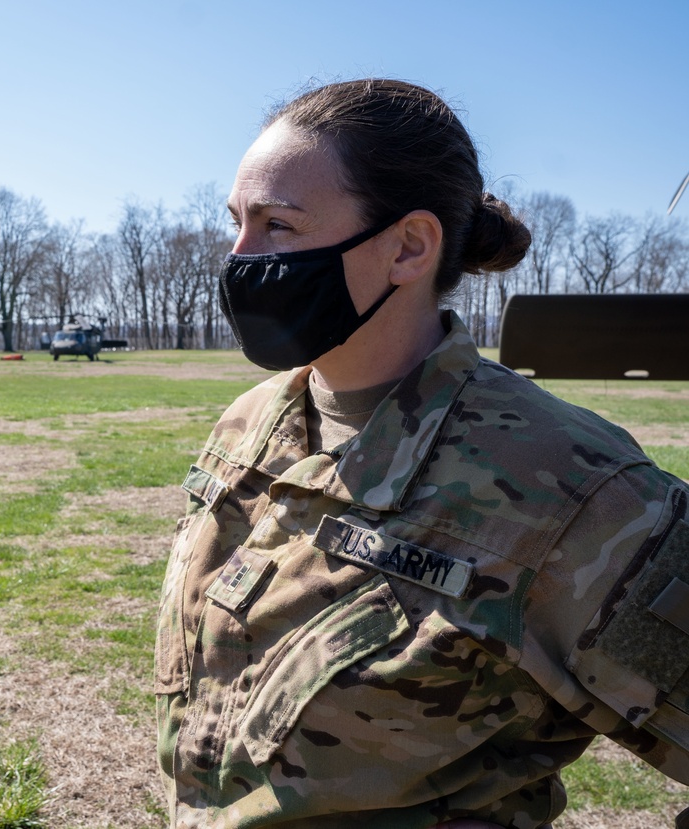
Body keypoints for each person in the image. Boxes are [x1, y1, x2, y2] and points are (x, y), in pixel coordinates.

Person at [154, 78, 689, 829]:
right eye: (237, 222)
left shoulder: (571, 488)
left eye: (278, 225)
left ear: (408, 246)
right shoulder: (252, 421)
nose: (241, 258)